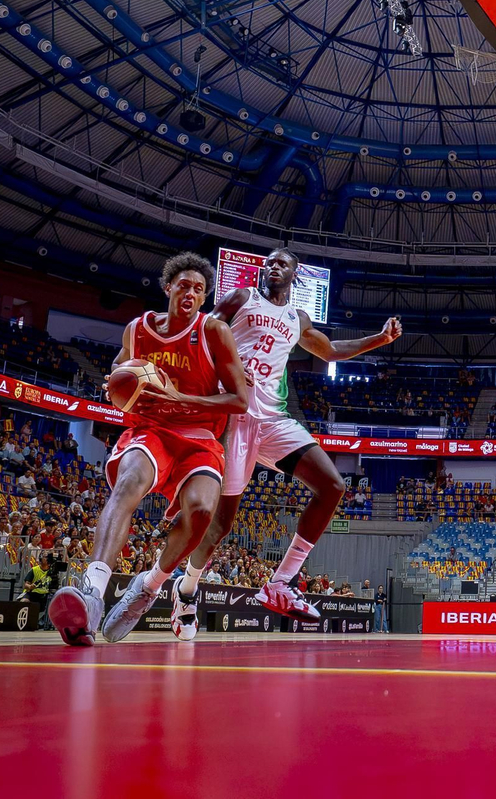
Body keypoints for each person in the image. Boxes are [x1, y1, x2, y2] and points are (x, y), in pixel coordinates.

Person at [170, 248, 402, 640]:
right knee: (221, 524)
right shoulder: (242, 298)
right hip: (233, 416)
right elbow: (201, 336)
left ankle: (281, 583)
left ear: (294, 275)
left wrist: (378, 339)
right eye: (270, 262)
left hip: (274, 420)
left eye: (283, 263)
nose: (273, 266)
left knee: (332, 485)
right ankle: (187, 589)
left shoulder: (297, 319)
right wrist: (221, 366)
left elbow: (329, 350)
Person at [45, 252, 250, 647]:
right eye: (184, 285)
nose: (190, 292)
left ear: (204, 298)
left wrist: (182, 399)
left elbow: (239, 400)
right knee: (129, 482)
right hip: (152, 429)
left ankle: (150, 585)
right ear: (168, 287)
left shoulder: (213, 332)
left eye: (199, 289)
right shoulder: (138, 330)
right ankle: (92, 591)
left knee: (203, 512)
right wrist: (116, 383)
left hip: (201, 438)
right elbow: (121, 366)